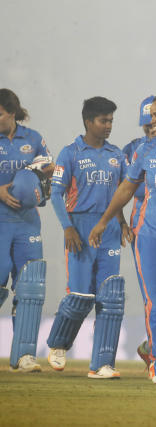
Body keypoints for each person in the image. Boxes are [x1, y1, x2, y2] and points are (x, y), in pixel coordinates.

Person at [88, 92, 156, 385]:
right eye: (148, 120)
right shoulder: (144, 151)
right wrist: (104, 221)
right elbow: (125, 188)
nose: (151, 124)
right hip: (149, 236)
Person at [46, 96, 131, 379]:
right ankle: (58, 344)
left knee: (109, 298)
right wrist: (67, 227)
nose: (108, 126)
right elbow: (56, 193)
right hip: (79, 229)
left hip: (109, 232)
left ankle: (102, 364)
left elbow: (121, 194)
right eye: (103, 121)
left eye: (110, 121)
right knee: (80, 295)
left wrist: (122, 223)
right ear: (88, 121)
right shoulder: (70, 153)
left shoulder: (117, 155)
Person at [0, 88, 53, 372]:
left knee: (30, 287)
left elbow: (50, 170)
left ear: (12, 112)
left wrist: (40, 183)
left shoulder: (33, 139)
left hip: (27, 223)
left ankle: (24, 356)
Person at [121, 95, 155, 370]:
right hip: (143, 227)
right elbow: (120, 191)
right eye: (146, 126)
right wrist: (121, 223)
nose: (151, 130)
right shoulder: (132, 150)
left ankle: (155, 348)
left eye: (154, 123)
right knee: (152, 294)